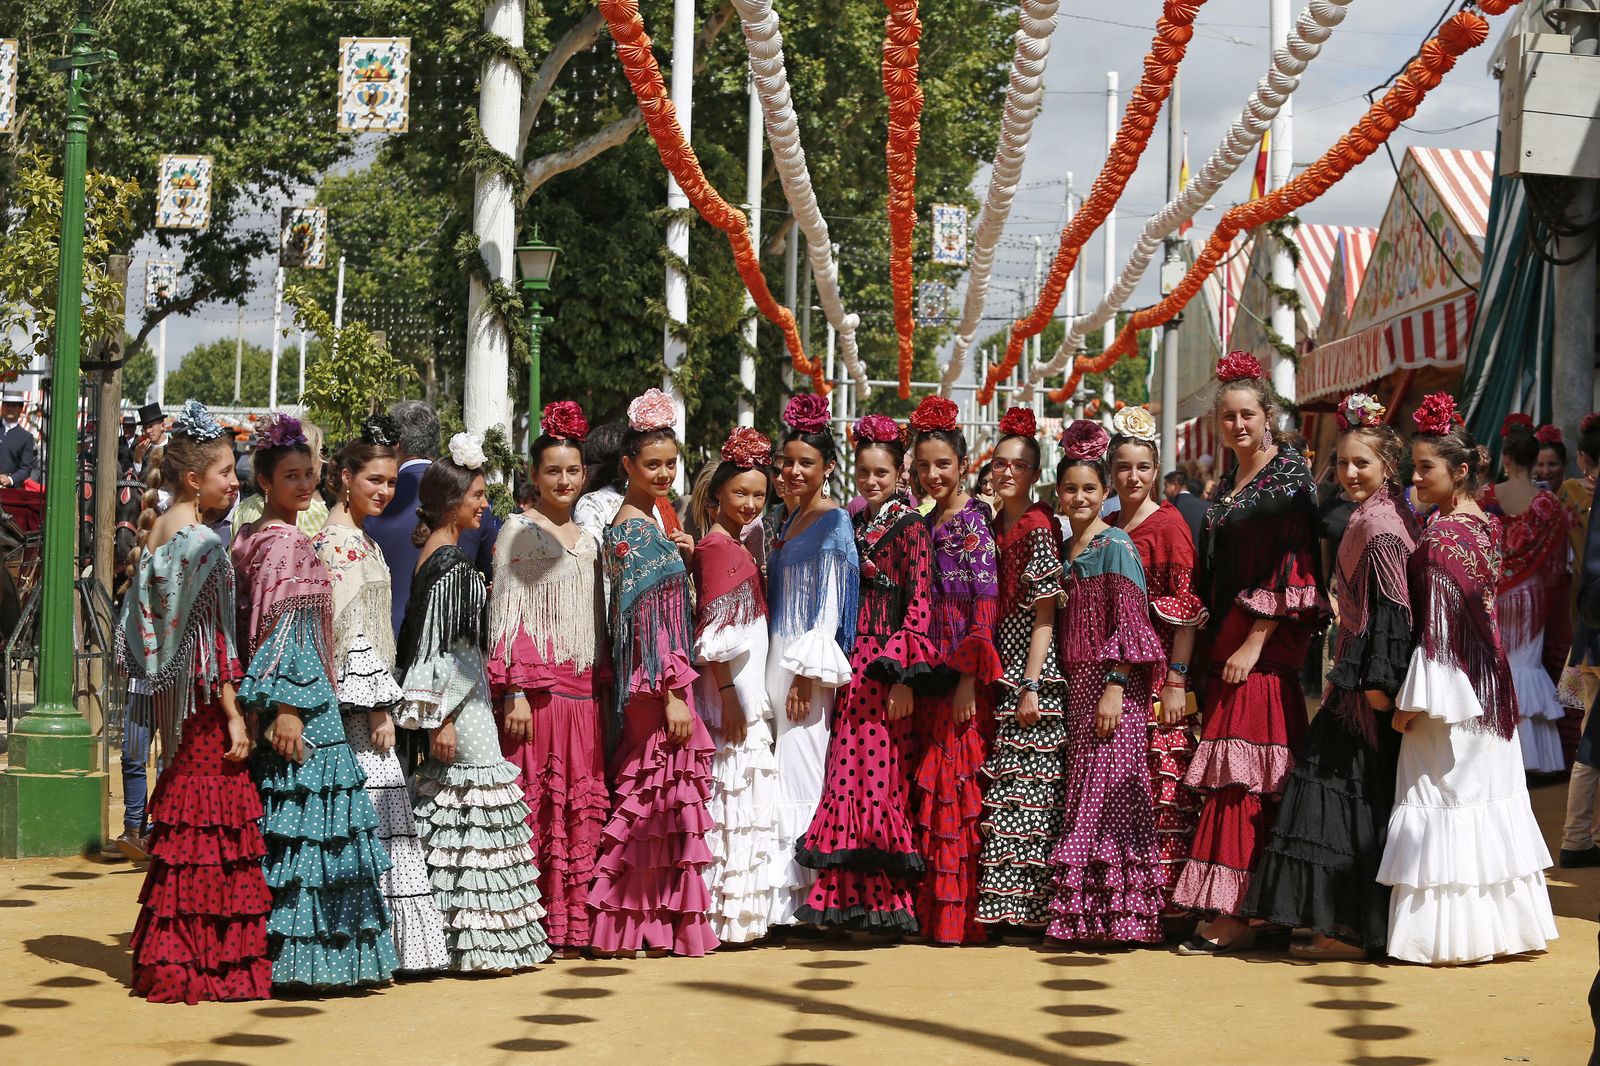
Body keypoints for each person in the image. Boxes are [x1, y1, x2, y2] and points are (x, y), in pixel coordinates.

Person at [1378, 393, 1557, 965]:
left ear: (1459, 472)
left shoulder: (1439, 538)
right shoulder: (1483, 526)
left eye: (1426, 467)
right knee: (1485, 802)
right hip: (1488, 691)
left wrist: (1415, 704)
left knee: (1441, 801)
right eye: (1414, 467)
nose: (1416, 476)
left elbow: (1440, 632)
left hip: (1450, 699)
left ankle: (1445, 938)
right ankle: (1497, 933)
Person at [1242, 393, 1418, 960]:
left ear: (1387, 467)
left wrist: (1377, 683)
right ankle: (1340, 924)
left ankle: (1345, 928)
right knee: (1344, 795)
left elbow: (1393, 613)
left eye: (1361, 463)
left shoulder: (1383, 525)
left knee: (1344, 797)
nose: (1349, 473)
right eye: (1342, 462)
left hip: (1365, 683)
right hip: (1354, 674)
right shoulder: (1372, 516)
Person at [233, 413, 398, 989]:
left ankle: (290, 959)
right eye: (291, 477)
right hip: (302, 706)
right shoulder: (286, 545)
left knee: (296, 833)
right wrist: (288, 708)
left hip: (281, 699)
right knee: (315, 833)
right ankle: (311, 963)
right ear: (265, 482)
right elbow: (287, 632)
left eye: (309, 475)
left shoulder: (252, 538)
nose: (304, 486)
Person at [117, 400, 272, 1003]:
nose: (235, 481)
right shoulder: (205, 544)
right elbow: (214, 643)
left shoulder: (156, 530)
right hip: (207, 706)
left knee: (182, 829)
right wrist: (235, 714)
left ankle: (172, 955)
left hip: (169, 703)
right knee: (213, 830)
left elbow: (144, 627)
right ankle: (209, 963)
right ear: (193, 478)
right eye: (226, 472)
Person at [1175, 352, 1327, 955]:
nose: (1238, 425)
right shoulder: (1230, 481)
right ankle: (1261, 909)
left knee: (1242, 782)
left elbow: (1297, 564)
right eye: (1228, 416)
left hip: (1258, 653)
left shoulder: (1288, 480)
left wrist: (1257, 639)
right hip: (1226, 645)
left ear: (1268, 417)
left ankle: (1237, 915)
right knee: (1244, 780)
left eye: (1247, 415)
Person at [397, 434, 552, 972]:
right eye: (478, 496)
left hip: (464, 703)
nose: (484, 505)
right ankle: (472, 944)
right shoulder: (452, 569)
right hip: (464, 708)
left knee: (454, 811)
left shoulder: (436, 558)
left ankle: (448, 935)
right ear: (450, 503)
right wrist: (444, 716)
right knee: (475, 802)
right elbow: (445, 653)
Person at [310, 415, 450, 973]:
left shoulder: (358, 540)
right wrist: (373, 709)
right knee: (371, 824)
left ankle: (371, 949)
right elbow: (344, 637)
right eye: (374, 479)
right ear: (344, 477)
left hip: (368, 705)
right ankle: (359, 949)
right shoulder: (337, 545)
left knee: (375, 826)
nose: (385, 490)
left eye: (391, 481)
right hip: (353, 713)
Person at [588, 389, 719, 957]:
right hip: (657, 685)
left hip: (657, 680)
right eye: (652, 464)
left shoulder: (649, 524)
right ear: (627, 467)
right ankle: (629, 925)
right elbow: (647, 623)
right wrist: (670, 694)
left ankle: (647, 925)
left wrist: (681, 556)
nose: (664, 473)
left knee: (662, 802)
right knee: (654, 797)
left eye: (671, 463)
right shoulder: (635, 530)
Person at [796, 414, 934, 939]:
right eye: (864, 471)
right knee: (845, 773)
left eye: (882, 472)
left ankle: (885, 905)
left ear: (901, 473)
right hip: (851, 661)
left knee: (880, 777)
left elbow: (920, 603)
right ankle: (850, 902)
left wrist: (902, 675)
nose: (871, 481)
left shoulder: (912, 526)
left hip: (886, 666)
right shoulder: (854, 523)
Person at [488, 403, 610, 957]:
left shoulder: (588, 535)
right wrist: (514, 688)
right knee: (536, 803)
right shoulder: (519, 529)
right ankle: (523, 926)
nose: (564, 480)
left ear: (585, 474)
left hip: (582, 691)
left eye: (573, 470)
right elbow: (509, 615)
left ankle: (568, 927)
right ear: (534, 477)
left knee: (574, 808)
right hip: (535, 696)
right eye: (553, 471)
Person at [1045, 420, 1165, 945]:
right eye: (1070, 489)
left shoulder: (1116, 545)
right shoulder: (1067, 552)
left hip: (1113, 687)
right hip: (1078, 686)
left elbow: (1133, 623)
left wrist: (1116, 685)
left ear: (1105, 492)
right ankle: (1085, 918)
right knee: (1084, 794)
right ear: (1057, 493)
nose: (1078, 496)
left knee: (1109, 796)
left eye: (1089, 488)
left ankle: (1124, 919)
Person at [765, 393, 859, 929]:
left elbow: (828, 607)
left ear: (826, 469)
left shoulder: (833, 523)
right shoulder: (785, 517)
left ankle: (808, 901)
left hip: (808, 664)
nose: (794, 471)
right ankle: (780, 899)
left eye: (807, 463)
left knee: (803, 770)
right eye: (788, 462)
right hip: (776, 656)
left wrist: (806, 672)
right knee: (778, 770)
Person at [909, 395, 999, 945]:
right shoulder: (924, 518)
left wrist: (968, 677)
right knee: (933, 787)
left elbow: (983, 606)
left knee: (953, 789)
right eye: (923, 466)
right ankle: (931, 912)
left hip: (958, 676)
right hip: (928, 671)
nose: (932, 474)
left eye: (942, 464)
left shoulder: (970, 524)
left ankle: (955, 918)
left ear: (963, 464)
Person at [1110, 409, 1206, 926]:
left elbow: (1185, 609)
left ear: (1157, 470)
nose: (1133, 477)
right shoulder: (1104, 525)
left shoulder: (1169, 526)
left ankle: (1165, 904)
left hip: (1157, 674)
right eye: (1123, 467)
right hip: (1112, 677)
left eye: (1142, 467)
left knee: (1159, 781)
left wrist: (1176, 679)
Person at [690, 427, 784, 943]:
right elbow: (713, 633)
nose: (750, 504)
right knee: (731, 789)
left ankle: (733, 913)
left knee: (740, 792)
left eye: (758, 496)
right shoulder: (717, 546)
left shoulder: (735, 542)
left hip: (742, 684)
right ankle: (725, 914)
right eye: (740, 494)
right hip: (732, 689)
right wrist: (728, 694)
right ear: (717, 496)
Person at [976, 408, 1067, 937]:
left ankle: (1030, 906)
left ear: (1034, 474)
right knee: (1009, 785)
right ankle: (1008, 905)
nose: (1007, 472)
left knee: (1028, 786)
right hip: (998, 659)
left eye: (1019, 465)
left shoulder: (1039, 526)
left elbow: (1045, 613)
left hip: (1029, 663)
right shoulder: (990, 523)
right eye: (1000, 463)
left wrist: (1031, 682)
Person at [1478, 415, 1572, 774]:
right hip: (1533, 594)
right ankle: (1536, 758)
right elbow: (1562, 559)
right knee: (1526, 664)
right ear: (1535, 461)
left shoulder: (1487, 497)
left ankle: (1497, 758)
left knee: (1498, 662)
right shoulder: (1548, 504)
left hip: (1496, 591)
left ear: (1505, 459)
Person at [368, 400, 497, 632]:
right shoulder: (472, 500)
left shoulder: (374, 498)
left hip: (384, 635)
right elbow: (492, 573)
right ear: (437, 442)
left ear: (396, 445)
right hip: (453, 640)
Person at [1561, 414, 1600, 869]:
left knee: (1592, 737)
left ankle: (1579, 836)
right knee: (1592, 742)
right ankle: (1576, 838)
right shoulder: (1579, 498)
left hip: (1589, 635)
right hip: (1595, 634)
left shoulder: (1577, 497)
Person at [231, 420, 330, 537]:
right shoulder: (310, 511)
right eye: (322, 451)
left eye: (307, 474)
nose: (323, 458)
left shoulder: (242, 509)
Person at [1163, 469, 1206, 548]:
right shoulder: (1206, 506)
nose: (1164, 491)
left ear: (1175, 485)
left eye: (1166, 486)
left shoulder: (1170, 508)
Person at [0, 393, 36, 486]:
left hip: (10, 491)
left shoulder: (26, 437)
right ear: (2, 406)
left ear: (21, 409)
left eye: (14, 406)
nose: (10, 408)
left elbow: (26, 468)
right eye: (7, 405)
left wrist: (10, 479)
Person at [131, 402, 167, 476]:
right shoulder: (140, 450)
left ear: (162, 426)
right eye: (145, 428)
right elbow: (136, 480)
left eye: (151, 426)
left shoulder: (174, 447)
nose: (147, 431)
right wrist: (137, 459)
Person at [1534, 425, 1567, 489]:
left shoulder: (1575, 493)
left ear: (1564, 464)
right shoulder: (1526, 496)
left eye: (1552, 464)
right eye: (1540, 465)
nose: (1546, 471)